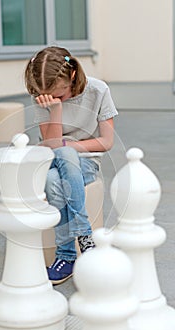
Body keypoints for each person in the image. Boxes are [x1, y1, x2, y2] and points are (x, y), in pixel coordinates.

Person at [25, 46, 118, 284]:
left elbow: (106, 142)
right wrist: (54, 110)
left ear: (73, 76)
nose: (56, 99)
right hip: (52, 161)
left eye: (61, 94)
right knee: (54, 170)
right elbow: (51, 147)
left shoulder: (98, 90)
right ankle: (85, 237)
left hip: (86, 161)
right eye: (51, 96)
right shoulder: (44, 96)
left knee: (54, 176)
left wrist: (67, 146)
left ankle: (66, 256)